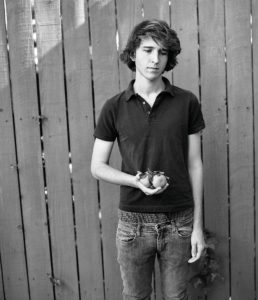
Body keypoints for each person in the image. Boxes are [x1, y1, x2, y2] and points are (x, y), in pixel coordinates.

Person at [91, 19, 206, 300]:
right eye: (148, 50)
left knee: (176, 297)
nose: (155, 59)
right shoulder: (114, 107)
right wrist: (135, 181)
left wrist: (198, 227)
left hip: (180, 221)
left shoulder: (187, 102)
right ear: (132, 53)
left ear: (170, 58)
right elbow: (97, 167)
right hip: (133, 224)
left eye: (163, 52)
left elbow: (195, 164)